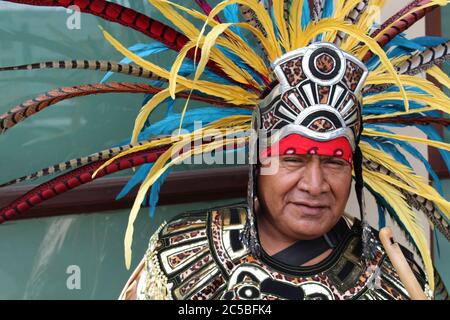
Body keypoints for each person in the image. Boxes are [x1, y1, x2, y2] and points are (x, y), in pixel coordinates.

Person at [0, 0, 449, 300]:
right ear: (258, 162)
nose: (315, 185)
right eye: (292, 157)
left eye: (335, 161)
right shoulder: (184, 253)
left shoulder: (395, 273)